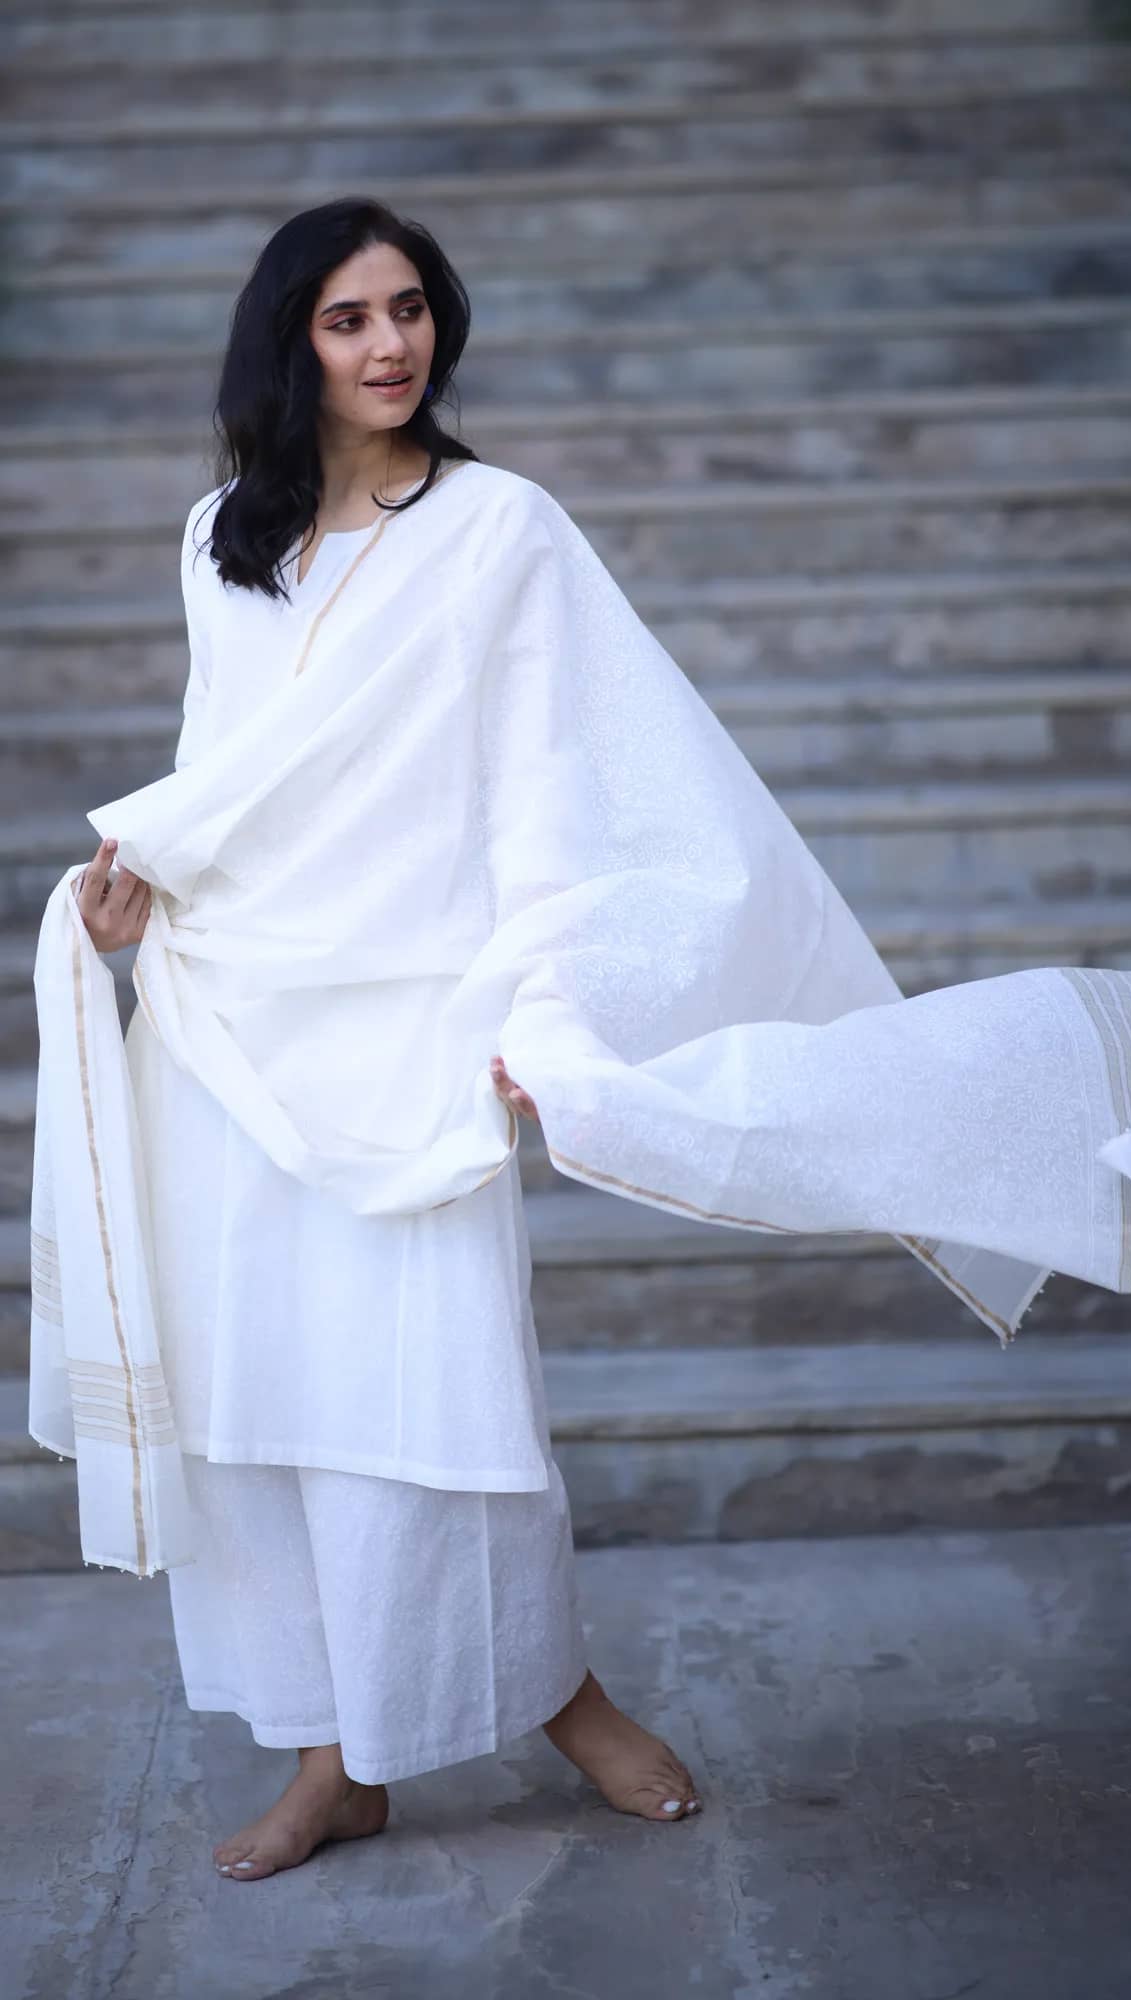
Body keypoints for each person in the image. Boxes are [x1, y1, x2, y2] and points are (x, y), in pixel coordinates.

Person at [65, 199, 703, 1883]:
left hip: (420, 1013)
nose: (389, 343)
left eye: (409, 308)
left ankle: (558, 1693)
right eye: (348, 317)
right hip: (228, 1019)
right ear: (291, 340)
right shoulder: (222, 539)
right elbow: (223, 766)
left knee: (441, 1391)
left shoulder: (497, 528)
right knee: (267, 1399)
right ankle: (332, 1757)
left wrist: (538, 1002)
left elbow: (548, 785)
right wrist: (141, 899)